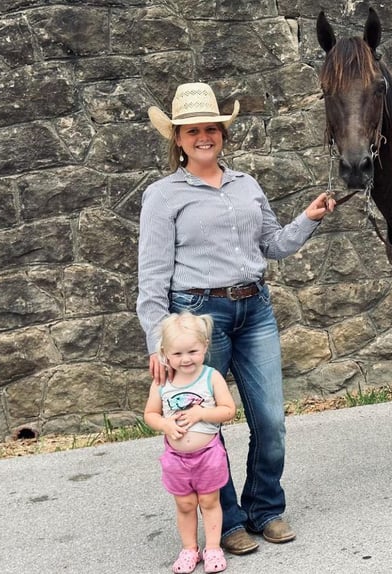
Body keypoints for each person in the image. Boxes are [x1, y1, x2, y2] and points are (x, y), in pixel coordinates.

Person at [137, 82, 335, 555]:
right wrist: (155, 343)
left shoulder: (246, 184)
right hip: (197, 318)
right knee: (206, 425)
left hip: (256, 309)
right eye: (193, 131)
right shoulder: (163, 196)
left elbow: (274, 245)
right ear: (178, 139)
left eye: (212, 128)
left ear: (222, 134)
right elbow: (151, 277)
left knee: (270, 420)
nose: (204, 137)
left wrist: (308, 217)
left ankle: (266, 508)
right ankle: (226, 522)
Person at [143, 311, 236, 574]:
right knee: (184, 504)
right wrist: (165, 424)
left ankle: (214, 547)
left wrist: (201, 413)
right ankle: (189, 549)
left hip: (208, 455)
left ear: (205, 347)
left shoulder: (211, 377)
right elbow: (150, 414)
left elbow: (228, 410)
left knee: (209, 501)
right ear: (165, 354)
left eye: (193, 351)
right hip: (176, 459)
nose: (186, 359)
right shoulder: (162, 383)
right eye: (178, 354)